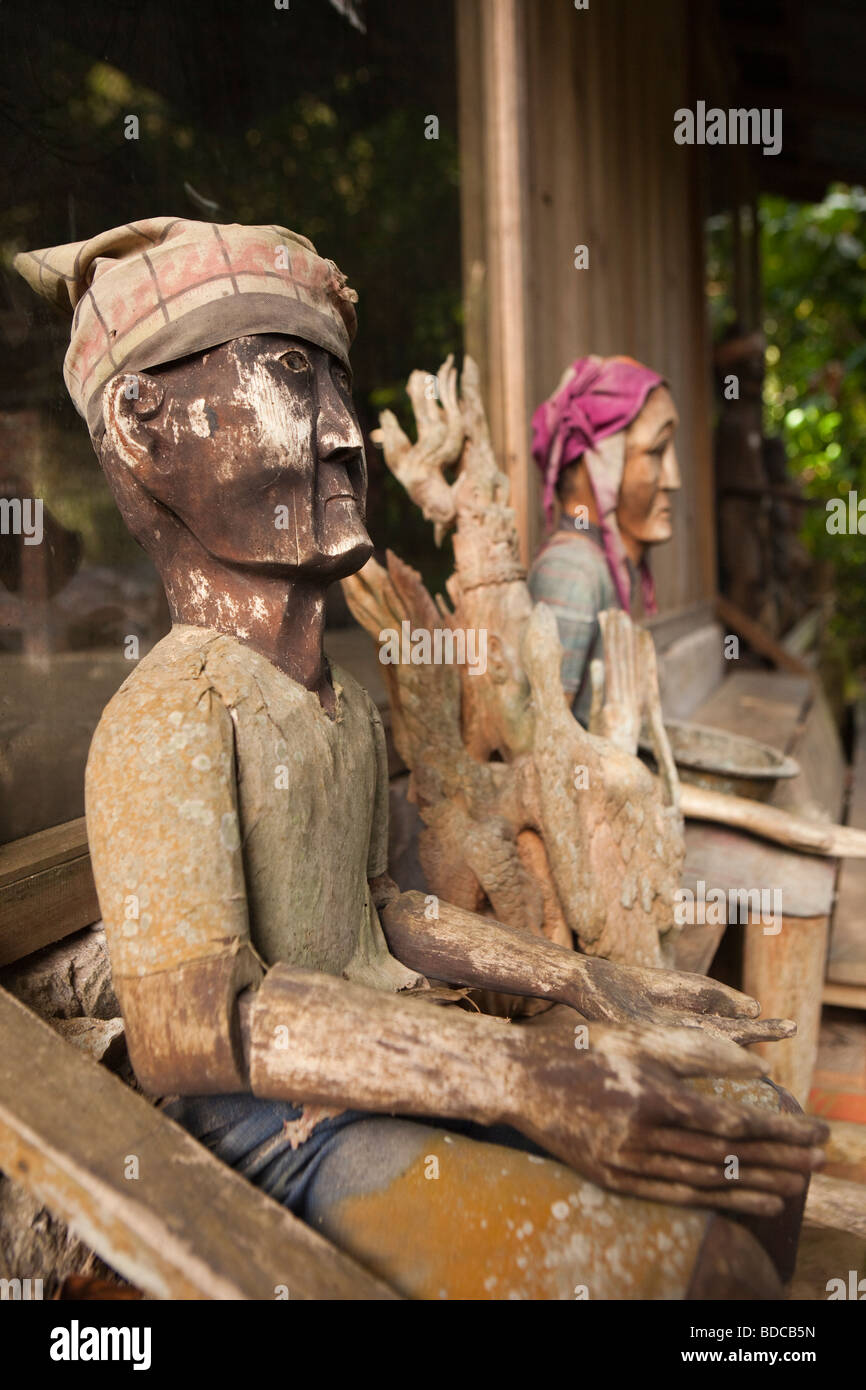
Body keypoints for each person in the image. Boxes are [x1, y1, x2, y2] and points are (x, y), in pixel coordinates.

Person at [15, 220, 825, 1300]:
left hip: (402, 1059)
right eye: (294, 380)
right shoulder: (165, 714)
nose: (346, 434)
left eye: (340, 388)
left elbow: (380, 908)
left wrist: (584, 978)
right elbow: (187, 1033)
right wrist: (520, 1074)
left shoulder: (341, 704)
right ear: (144, 423)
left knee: (754, 1133)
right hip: (274, 1139)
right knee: (708, 1271)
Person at [528, 356, 681, 724]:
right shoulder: (572, 569)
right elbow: (546, 742)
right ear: (591, 466)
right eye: (657, 452)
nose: (673, 480)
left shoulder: (599, 563)